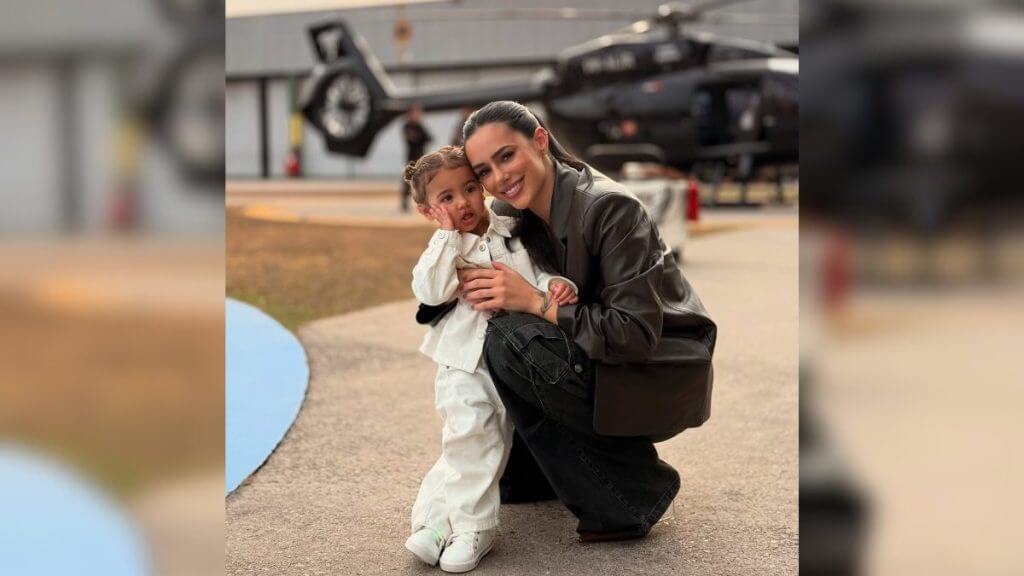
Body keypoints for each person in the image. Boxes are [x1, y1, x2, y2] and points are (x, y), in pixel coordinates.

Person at [455, 101, 717, 543]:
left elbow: (633, 334)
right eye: (484, 171)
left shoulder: (609, 208)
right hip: (607, 360)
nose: (498, 178)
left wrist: (537, 302)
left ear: (540, 140)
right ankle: (538, 473)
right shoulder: (519, 217)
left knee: (511, 337)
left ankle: (632, 491)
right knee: (488, 327)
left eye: (506, 156)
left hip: (659, 370)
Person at [404, 145, 578, 572]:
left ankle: (450, 524)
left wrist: (555, 286)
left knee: (478, 440)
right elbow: (428, 291)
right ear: (430, 212)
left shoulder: (511, 233)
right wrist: (447, 237)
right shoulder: (443, 249)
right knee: (468, 435)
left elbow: (536, 276)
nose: (462, 202)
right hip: (463, 360)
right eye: (446, 198)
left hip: (511, 359)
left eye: (468, 188)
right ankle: (459, 525)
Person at [400, 104, 433, 212]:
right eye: (416, 113)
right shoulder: (407, 126)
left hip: (421, 157)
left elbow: (429, 138)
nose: (418, 115)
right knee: (407, 181)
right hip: (411, 157)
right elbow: (413, 139)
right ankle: (404, 203)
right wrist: (420, 138)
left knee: (424, 181)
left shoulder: (420, 126)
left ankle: (425, 203)